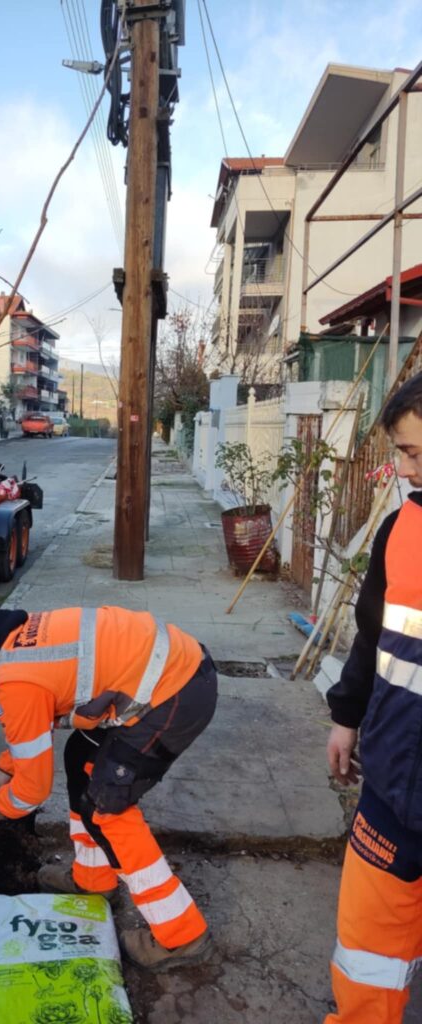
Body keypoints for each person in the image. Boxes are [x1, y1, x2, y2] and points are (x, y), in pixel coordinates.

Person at [0, 604, 218, 971]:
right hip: (173, 671)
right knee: (81, 757)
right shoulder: (14, 638)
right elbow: (38, 716)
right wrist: (5, 770)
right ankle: (93, 879)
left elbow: (33, 791)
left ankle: (182, 936)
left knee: (107, 810)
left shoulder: (15, 680)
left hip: (176, 693)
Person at [324, 371, 422, 1024]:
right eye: (400, 452)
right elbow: (372, 635)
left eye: (413, 452)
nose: (403, 468)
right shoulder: (401, 529)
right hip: (393, 775)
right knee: (367, 948)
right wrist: (346, 719)